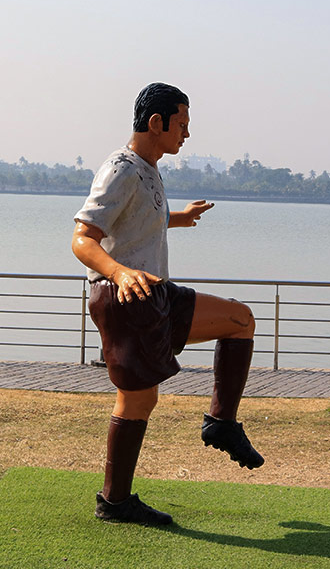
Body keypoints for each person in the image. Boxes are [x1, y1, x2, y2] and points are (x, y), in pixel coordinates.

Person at [71, 82, 262, 527]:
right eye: (182, 125)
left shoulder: (148, 168)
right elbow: (83, 239)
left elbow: (137, 223)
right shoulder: (120, 168)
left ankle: (221, 423)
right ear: (156, 124)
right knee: (138, 401)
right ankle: (115, 503)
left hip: (156, 293)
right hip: (125, 298)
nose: (187, 135)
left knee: (240, 319)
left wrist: (180, 218)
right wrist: (118, 272)